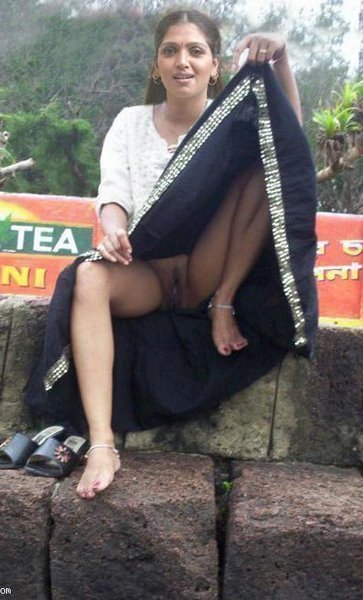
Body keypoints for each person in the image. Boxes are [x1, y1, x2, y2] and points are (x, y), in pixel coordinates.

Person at [24, 9, 318, 501]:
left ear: (215, 66)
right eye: (171, 51)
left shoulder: (230, 122)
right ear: (156, 66)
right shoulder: (130, 122)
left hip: (208, 271)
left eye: (195, 51)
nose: (183, 61)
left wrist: (281, 58)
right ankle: (102, 443)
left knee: (264, 172)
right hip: (145, 272)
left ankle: (223, 303)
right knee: (89, 276)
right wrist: (114, 230)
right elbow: (113, 192)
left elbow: (287, 142)